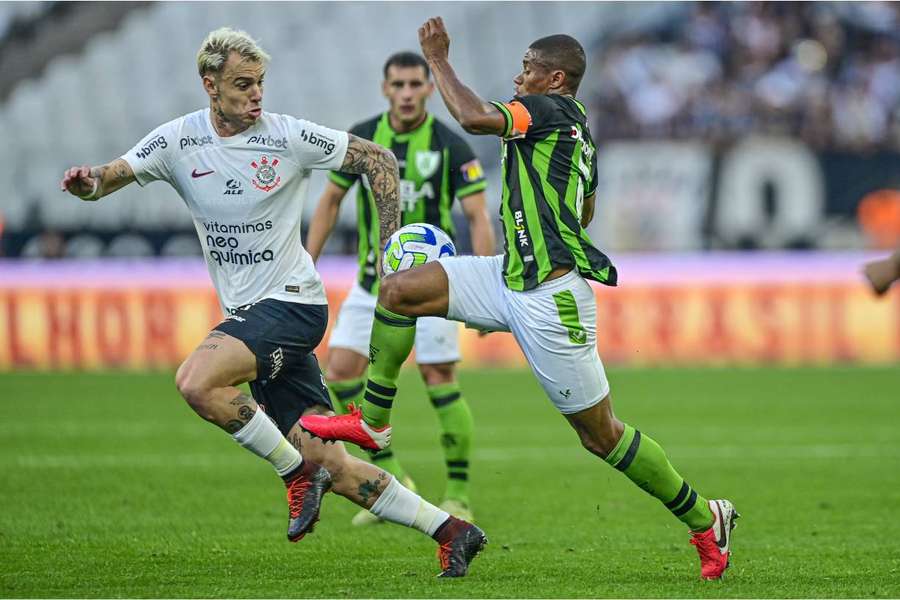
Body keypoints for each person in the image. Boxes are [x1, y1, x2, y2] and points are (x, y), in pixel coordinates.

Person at [301, 18, 738, 580]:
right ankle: (374, 420)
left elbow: (472, 117)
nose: (517, 75)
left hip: (549, 301)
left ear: (555, 79)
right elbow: (584, 212)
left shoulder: (550, 111)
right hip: (507, 277)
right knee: (400, 288)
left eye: (527, 68)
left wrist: (437, 58)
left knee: (600, 435)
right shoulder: (579, 136)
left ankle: (706, 520)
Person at [59, 27, 485, 577]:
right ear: (209, 85)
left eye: (260, 82)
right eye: (242, 84)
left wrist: (389, 257)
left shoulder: (286, 136)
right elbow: (111, 178)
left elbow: (379, 160)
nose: (256, 94)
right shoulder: (177, 141)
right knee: (330, 459)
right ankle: (451, 530)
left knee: (196, 381)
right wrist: (86, 183)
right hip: (252, 316)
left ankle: (293, 475)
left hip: (293, 306)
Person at [305, 51, 495, 525]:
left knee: (438, 378)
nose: (407, 93)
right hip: (373, 281)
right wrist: (308, 263)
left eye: (416, 84)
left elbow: (477, 216)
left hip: (434, 288)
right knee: (341, 373)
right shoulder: (365, 138)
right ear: (385, 88)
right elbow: (329, 201)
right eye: (399, 85)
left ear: (430, 88)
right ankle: (391, 478)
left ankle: (458, 495)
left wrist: (485, 282)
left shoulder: (451, 145)